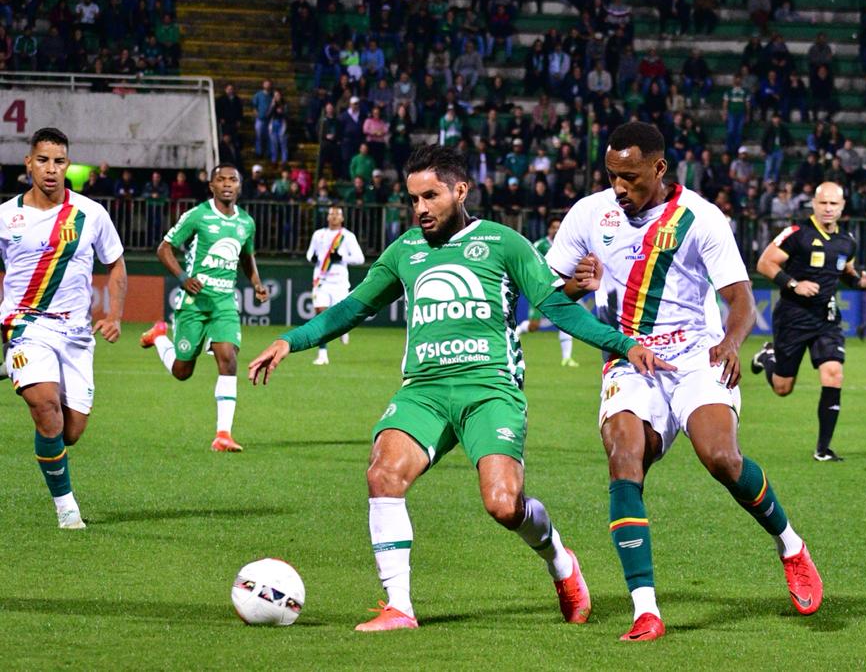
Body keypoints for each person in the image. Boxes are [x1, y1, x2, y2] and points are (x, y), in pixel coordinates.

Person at [248, 145, 671, 633]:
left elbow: (557, 308)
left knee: (503, 504)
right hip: (423, 391)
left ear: (460, 190)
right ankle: (399, 607)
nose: (421, 209)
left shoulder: (503, 243)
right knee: (383, 475)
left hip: (490, 390)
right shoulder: (404, 251)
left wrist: (623, 345)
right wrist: (289, 340)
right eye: (413, 199)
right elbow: (351, 308)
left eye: (431, 196)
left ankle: (560, 561)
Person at [546, 122, 823, 642]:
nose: (619, 188)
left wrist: (732, 343)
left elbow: (741, 299)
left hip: (697, 355)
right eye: (611, 176)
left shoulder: (700, 217)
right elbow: (548, 296)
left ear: (658, 168)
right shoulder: (589, 214)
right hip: (629, 357)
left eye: (629, 177)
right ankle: (645, 610)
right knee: (625, 457)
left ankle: (790, 545)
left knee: (721, 457)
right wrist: (572, 284)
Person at [0, 127, 127, 529]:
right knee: (46, 410)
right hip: (26, 325)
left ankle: (11, 367)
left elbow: (117, 264)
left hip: (75, 334)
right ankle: (66, 509)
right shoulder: (6, 217)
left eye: (58, 161)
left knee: (70, 431)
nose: (50, 170)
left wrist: (115, 316)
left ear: (68, 164)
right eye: (43, 160)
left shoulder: (90, 214)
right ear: (28, 163)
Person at [139, 164, 268, 453]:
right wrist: (184, 279)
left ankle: (223, 434)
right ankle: (159, 336)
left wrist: (257, 283)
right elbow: (164, 248)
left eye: (232, 180)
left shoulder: (246, 222)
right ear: (211, 185)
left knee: (228, 357)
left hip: (224, 302)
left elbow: (247, 256)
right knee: (182, 370)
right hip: (194, 304)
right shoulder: (197, 215)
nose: (226, 184)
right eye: (220, 179)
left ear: (239, 186)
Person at [751, 182, 866, 462]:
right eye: (823, 203)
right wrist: (794, 284)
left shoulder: (847, 240)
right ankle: (767, 356)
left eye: (834, 204)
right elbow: (765, 263)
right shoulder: (797, 234)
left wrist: (861, 282)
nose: (829, 208)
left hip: (826, 318)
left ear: (843, 206)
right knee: (783, 388)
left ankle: (823, 449)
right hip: (793, 317)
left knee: (834, 373)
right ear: (814, 204)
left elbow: (845, 272)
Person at [305, 204, 365, 365]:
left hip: (339, 282)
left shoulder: (347, 236)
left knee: (340, 317)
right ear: (327, 217)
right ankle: (322, 353)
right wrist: (312, 258)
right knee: (321, 313)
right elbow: (310, 253)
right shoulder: (319, 234)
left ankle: (343, 329)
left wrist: (342, 257)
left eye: (337, 214)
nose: (334, 217)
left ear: (342, 218)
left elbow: (360, 258)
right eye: (331, 214)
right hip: (321, 280)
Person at [514, 216, 578, 367]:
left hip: (560, 288)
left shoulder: (566, 245)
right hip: (540, 289)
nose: (556, 229)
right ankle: (514, 334)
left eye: (559, 227)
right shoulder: (541, 244)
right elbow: (528, 260)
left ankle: (567, 358)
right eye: (554, 227)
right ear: (549, 229)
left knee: (567, 321)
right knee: (534, 325)